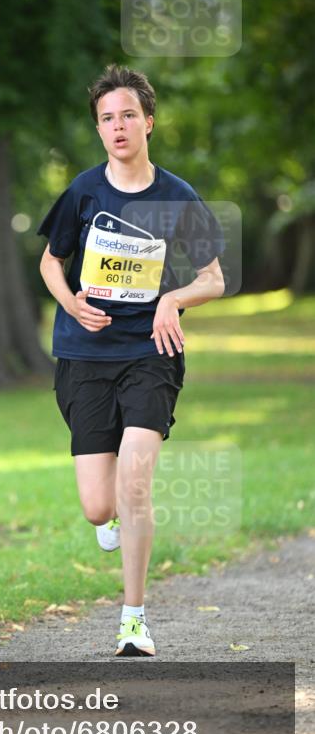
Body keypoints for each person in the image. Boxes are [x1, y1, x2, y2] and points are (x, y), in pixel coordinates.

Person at [37, 64, 226, 657]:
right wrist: (72, 302)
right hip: (84, 355)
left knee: (135, 483)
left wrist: (173, 298)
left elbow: (214, 278)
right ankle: (111, 518)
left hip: (151, 352)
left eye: (127, 115)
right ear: (99, 129)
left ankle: (133, 620)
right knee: (99, 505)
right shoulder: (83, 192)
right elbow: (50, 261)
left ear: (149, 122)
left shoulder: (177, 196)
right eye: (106, 118)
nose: (117, 126)